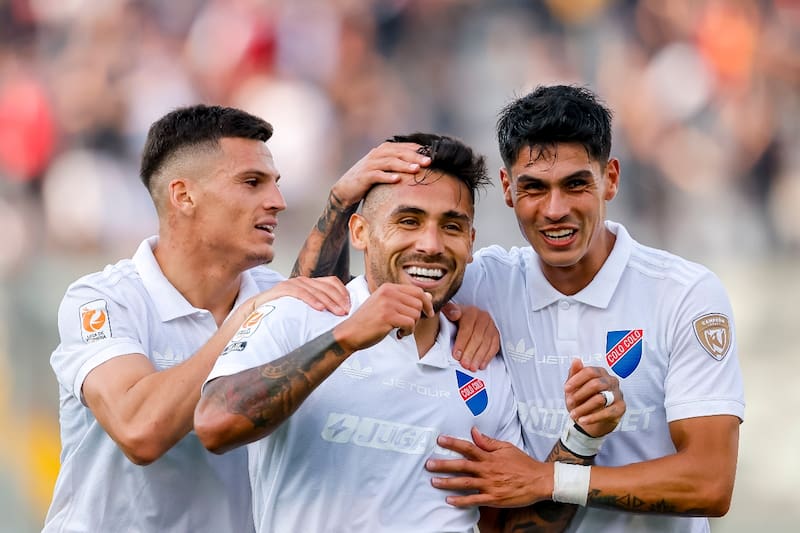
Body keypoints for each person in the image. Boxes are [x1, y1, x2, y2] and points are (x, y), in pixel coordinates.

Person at [299, 86, 745, 532]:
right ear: (509, 189)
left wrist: (548, 479)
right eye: (534, 187)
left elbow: (709, 483)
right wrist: (340, 201)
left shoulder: (683, 294)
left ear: (610, 179)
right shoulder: (478, 281)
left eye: (575, 184)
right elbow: (320, 309)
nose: (555, 210)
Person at [194, 133, 624, 533]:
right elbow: (215, 425)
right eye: (409, 221)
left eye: (451, 226)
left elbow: (508, 527)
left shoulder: (483, 362)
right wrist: (346, 337)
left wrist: (582, 437)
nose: (431, 244)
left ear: (471, 242)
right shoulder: (297, 313)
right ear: (360, 232)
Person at [43, 105, 430, 532]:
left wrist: (340, 202)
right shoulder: (102, 300)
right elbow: (140, 430)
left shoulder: (270, 295)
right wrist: (244, 319)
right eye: (252, 182)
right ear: (183, 195)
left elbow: (333, 314)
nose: (277, 202)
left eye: (276, 184)